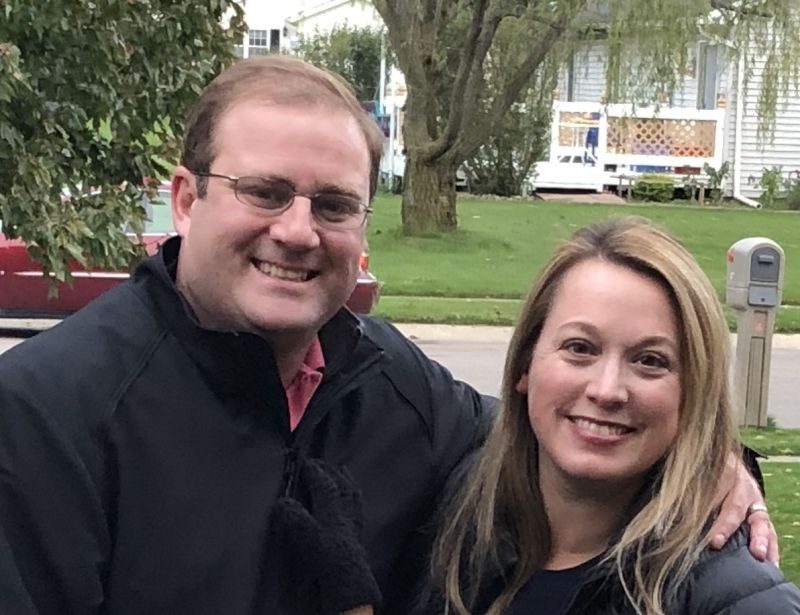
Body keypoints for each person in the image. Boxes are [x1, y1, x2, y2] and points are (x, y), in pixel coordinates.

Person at [0, 57, 775, 615]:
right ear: (185, 198)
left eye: (334, 205)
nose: (297, 230)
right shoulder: (46, 411)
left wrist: (712, 461)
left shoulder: (391, 381)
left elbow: (554, 432)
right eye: (265, 191)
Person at [431, 218, 800, 615]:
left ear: (695, 392)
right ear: (525, 363)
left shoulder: (736, 599)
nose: (607, 390)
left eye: (650, 360)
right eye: (580, 348)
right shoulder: (451, 519)